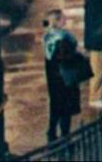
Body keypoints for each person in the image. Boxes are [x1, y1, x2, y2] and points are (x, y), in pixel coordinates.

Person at [43, 9, 84, 142]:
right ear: (58, 21)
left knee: (55, 105)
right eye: (63, 18)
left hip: (53, 79)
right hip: (65, 78)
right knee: (66, 108)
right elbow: (68, 57)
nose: (66, 20)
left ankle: (51, 132)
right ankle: (65, 136)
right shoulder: (64, 38)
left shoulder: (48, 37)